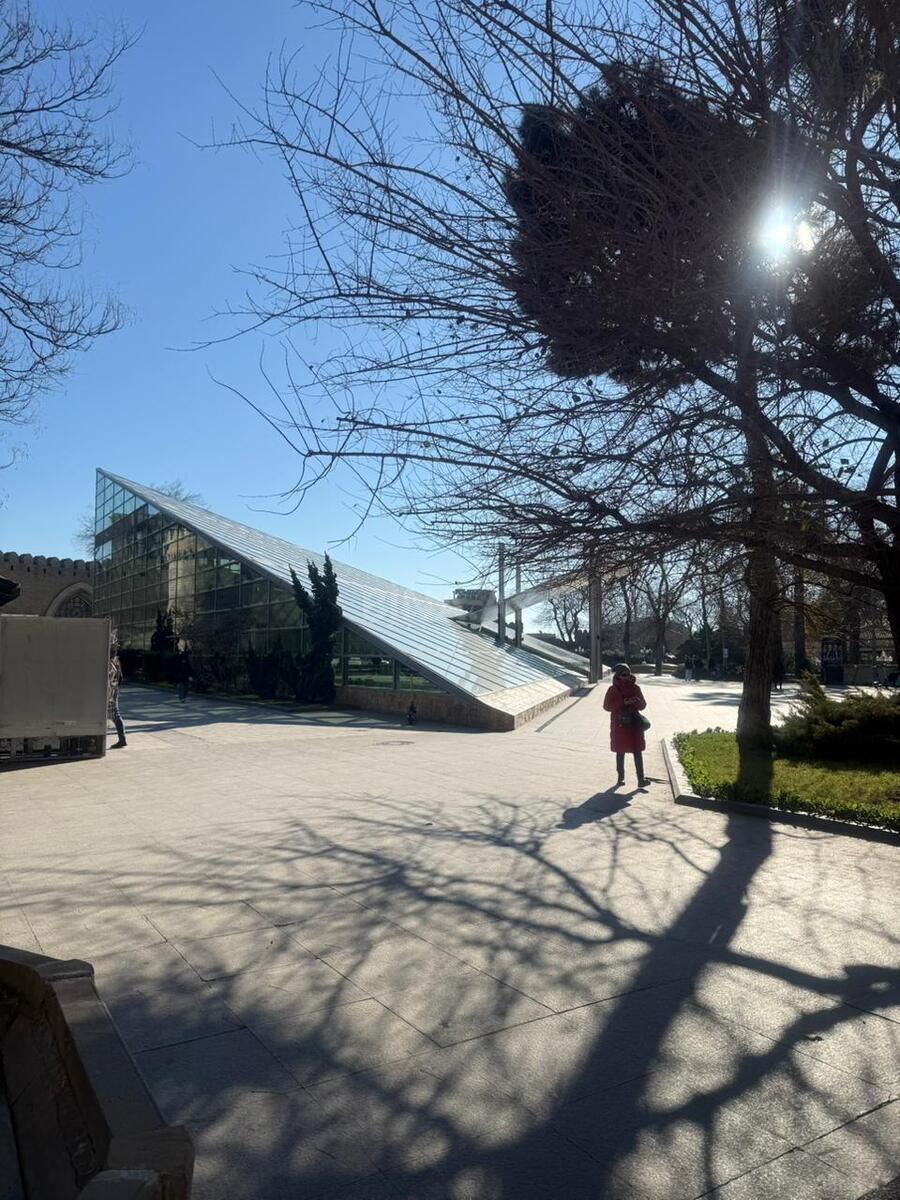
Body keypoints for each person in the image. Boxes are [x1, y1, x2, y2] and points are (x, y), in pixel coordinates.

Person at [603, 662, 650, 787]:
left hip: (634, 724)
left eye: (628, 674)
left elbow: (643, 705)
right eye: (624, 675)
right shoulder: (612, 689)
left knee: (637, 751)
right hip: (620, 725)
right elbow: (607, 706)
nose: (627, 677)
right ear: (618, 676)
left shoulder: (636, 688)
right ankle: (620, 778)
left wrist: (636, 701)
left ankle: (641, 779)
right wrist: (623, 702)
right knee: (620, 751)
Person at [108, 646, 127, 749]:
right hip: (114, 690)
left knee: (115, 715)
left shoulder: (110, 664)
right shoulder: (116, 662)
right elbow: (121, 678)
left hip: (110, 691)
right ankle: (122, 739)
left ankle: (122, 739)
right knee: (115, 714)